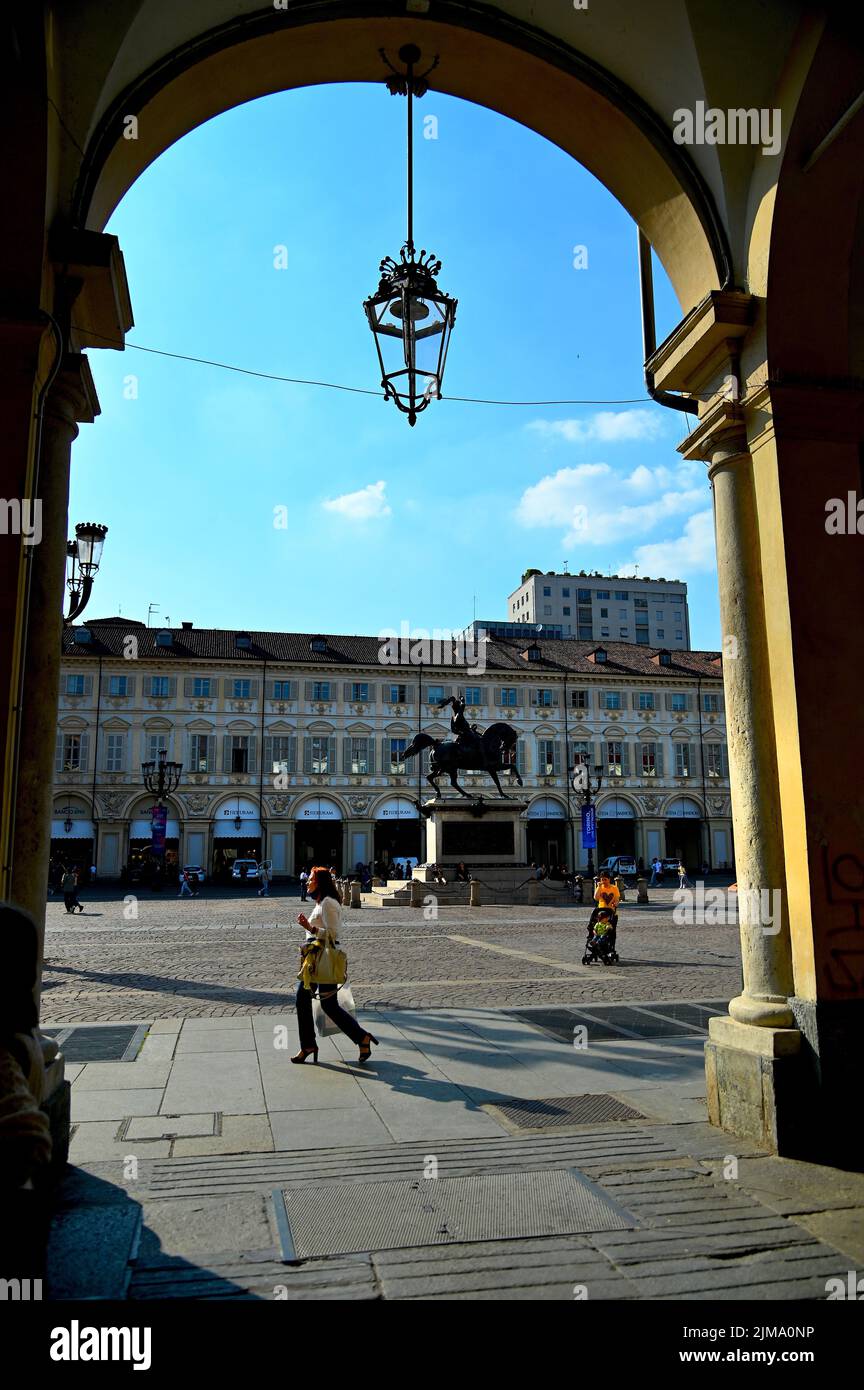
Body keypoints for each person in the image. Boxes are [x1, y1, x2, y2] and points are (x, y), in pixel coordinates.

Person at [292, 866, 378, 1066]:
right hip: (315, 959)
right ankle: (359, 1038)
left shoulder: (329, 903)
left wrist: (309, 927)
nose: (307, 882)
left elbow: (333, 934)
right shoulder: (322, 902)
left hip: (324, 959)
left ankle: (311, 1045)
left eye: (310, 879)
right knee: (319, 1003)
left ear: (319, 882)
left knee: (312, 1001)